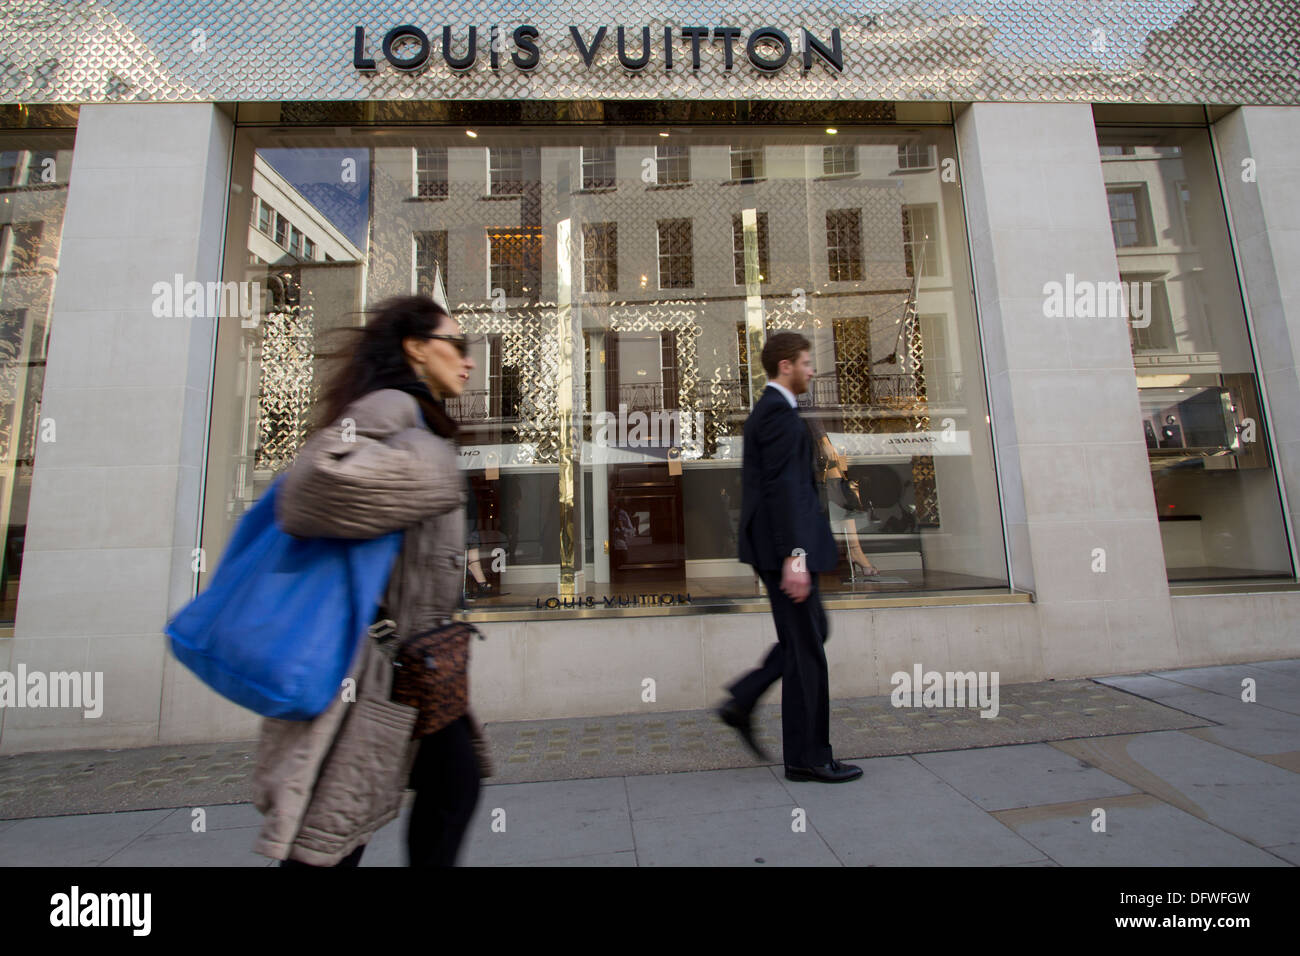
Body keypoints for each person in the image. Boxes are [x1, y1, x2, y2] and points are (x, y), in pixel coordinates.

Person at [252, 293, 488, 866]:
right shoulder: (390, 407)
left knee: (452, 784)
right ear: (415, 347)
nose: (468, 359)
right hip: (369, 666)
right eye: (455, 344)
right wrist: (430, 469)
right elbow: (310, 489)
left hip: (415, 664)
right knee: (330, 835)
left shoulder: (414, 416)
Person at [717, 331, 863, 783]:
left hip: (781, 546)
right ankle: (809, 757)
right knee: (807, 651)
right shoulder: (778, 414)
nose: (812, 369)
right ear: (786, 366)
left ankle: (744, 699)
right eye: (806, 362)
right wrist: (795, 557)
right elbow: (784, 490)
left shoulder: (777, 411)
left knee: (812, 634)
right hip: (785, 548)